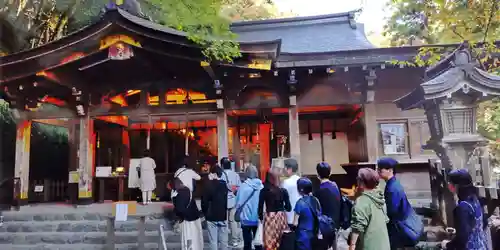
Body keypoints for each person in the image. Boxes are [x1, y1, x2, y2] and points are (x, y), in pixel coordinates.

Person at [378, 157, 422, 249]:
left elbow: (391, 211)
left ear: (390, 170)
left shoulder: (392, 188)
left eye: (380, 169)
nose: (378, 171)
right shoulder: (393, 184)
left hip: (398, 228)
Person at [441, 169, 488, 250]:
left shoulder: (461, 208)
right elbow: (483, 223)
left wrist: (447, 245)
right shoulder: (477, 200)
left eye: (450, 183)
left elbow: (462, 240)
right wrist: (459, 230)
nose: (449, 185)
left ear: (456, 186)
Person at [349, 168, 390, 250]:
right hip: (383, 245)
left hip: (369, 245)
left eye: (357, 179)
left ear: (361, 182)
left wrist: (352, 245)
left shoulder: (361, 201)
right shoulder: (379, 198)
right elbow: (386, 220)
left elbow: (357, 227)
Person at [258, 168, 292, 250]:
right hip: (281, 218)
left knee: (270, 242)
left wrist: (261, 218)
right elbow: (289, 208)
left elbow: (260, 208)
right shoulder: (283, 191)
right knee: (282, 241)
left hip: (269, 217)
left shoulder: (264, 191)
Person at [235, 165, 264, 250]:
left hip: (246, 218)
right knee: (258, 241)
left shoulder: (243, 186)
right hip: (258, 218)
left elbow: (238, 203)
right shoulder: (261, 186)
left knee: (247, 242)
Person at [314, 162, 341, 250]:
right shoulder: (335, 186)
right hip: (336, 221)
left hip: (325, 224)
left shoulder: (318, 191)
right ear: (330, 173)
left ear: (317, 175)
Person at [202, 164, 229, 250]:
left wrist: (205, 212)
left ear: (214, 174)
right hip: (222, 214)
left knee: (213, 240)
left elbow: (204, 201)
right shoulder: (224, 185)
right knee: (224, 240)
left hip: (211, 215)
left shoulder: (208, 185)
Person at [172, 178, 204, 250]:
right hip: (195, 217)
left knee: (188, 238)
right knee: (196, 238)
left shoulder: (179, 195)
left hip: (186, 220)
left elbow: (180, 209)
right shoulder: (188, 191)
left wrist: (176, 214)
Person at [293, 177, 321, 250]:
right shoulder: (316, 200)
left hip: (303, 236)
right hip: (314, 234)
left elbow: (295, 223)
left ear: (300, 189)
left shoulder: (300, 203)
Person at [221, 157, 242, 248]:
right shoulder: (235, 175)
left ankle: (224, 241)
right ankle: (235, 240)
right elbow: (239, 187)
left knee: (224, 221)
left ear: (222, 165)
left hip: (223, 200)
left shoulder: (221, 175)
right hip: (233, 200)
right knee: (233, 221)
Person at [282, 158, 301, 228]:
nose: (283, 170)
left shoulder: (286, 182)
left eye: (285, 168)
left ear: (289, 169)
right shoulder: (301, 180)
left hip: (290, 217)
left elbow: (283, 200)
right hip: (301, 216)